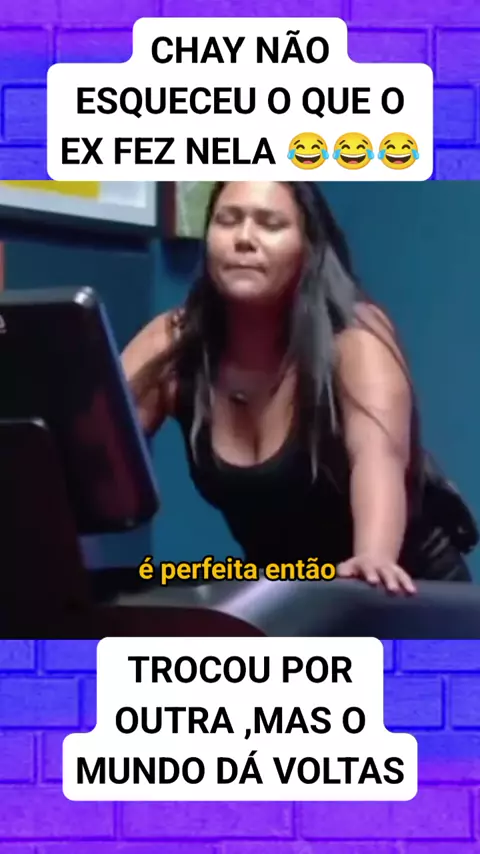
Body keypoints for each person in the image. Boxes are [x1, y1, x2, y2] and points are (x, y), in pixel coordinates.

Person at [122, 181, 473, 593]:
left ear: (308, 248)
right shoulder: (173, 342)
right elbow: (92, 444)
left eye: (270, 224)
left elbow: (378, 457)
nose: (244, 239)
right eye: (227, 221)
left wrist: (373, 556)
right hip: (290, 590)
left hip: (404, 589)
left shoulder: (354, 339)